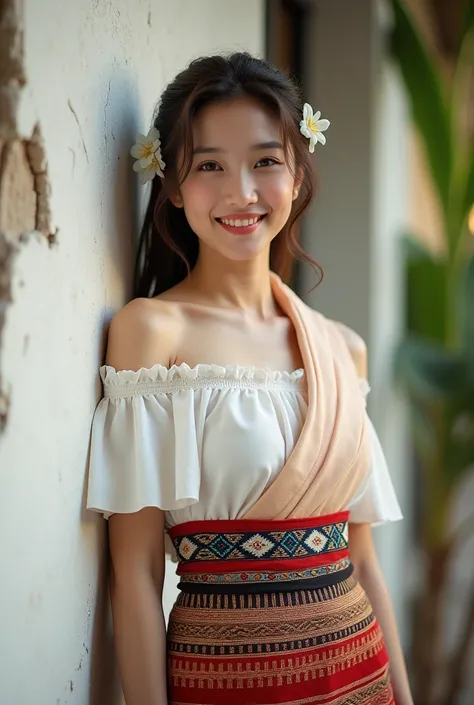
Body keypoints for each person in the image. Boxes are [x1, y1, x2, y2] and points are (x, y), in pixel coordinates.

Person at [86, 52, 413, 705]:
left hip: (362, 672)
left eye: (265, 160)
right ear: (173, 184)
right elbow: (136, 573)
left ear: (297, 171)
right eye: (210, 165)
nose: (241, 191)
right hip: (225, 681)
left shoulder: (341, 348)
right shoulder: (152, 333)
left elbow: (366, 561)